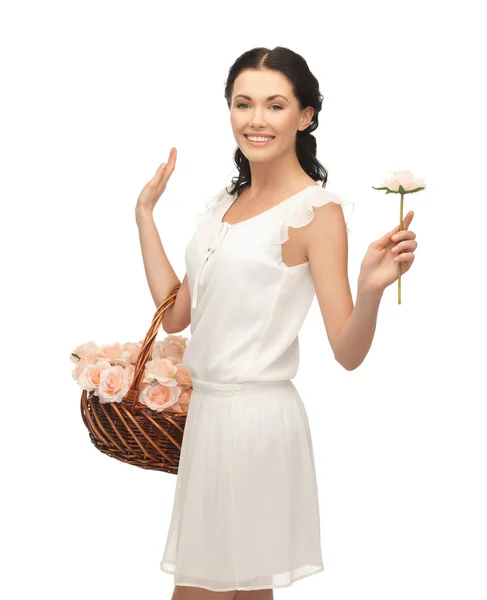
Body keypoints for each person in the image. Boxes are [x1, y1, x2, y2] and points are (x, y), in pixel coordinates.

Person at [135, 46, 418, 600]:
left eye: (275, 104)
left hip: (255, 425)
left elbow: (347, 351)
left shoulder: (316, 212)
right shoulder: (224, 202)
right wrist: (145, 215)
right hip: (210, 419)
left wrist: (369, 290)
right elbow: (177, 316)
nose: (256, 120)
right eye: (243, 104)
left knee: (205, 591)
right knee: (239, 591)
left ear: (305, 115)